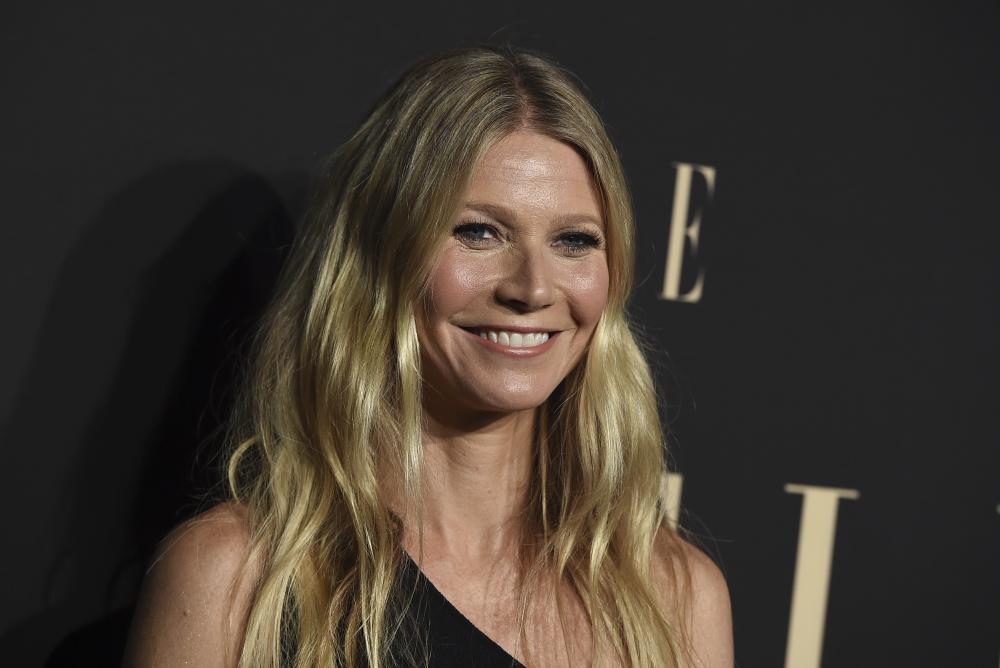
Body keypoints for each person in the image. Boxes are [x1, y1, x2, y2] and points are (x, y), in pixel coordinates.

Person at [122, 43, 733, 667]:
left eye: (574, 241)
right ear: (380, 256)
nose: (533, 288)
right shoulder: (239, 580)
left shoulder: (674, 600)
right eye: (478, 232)